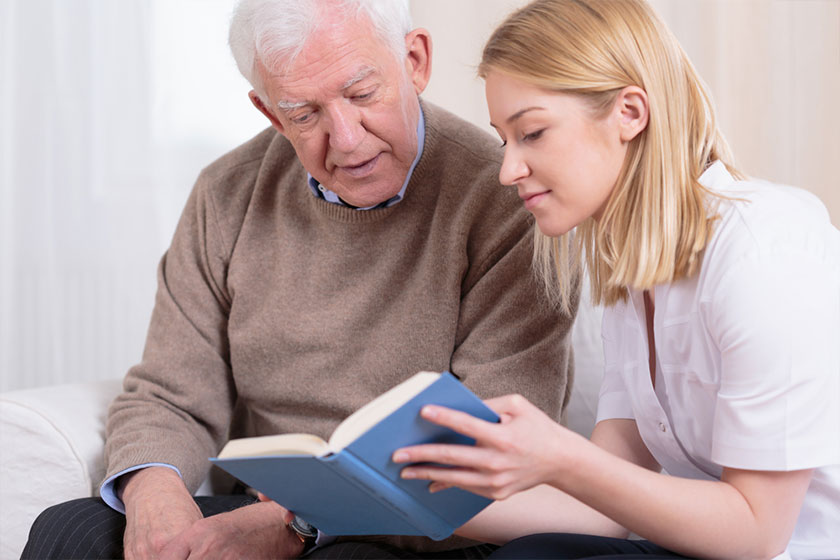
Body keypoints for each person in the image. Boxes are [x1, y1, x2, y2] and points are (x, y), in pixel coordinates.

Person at [21, 1, 578, 558]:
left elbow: (493, 453)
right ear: (270, 113)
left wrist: (304, 524)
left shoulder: (508, 199)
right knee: (68, 531)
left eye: (362, 94)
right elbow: (170, 394)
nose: (347, 139)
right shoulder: (226, 194)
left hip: (424, 524)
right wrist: (155, 494)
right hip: (261, 510)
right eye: (304, 113)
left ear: (414, 60)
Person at [392, 1, 840, 559]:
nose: (508, 170)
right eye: (505, 140)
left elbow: (758, 532)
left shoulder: (765, 253)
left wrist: (562, 456)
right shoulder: (632, 277)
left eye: (531, 132)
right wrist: (405, 499)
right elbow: (600, 512)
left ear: (629, 112)